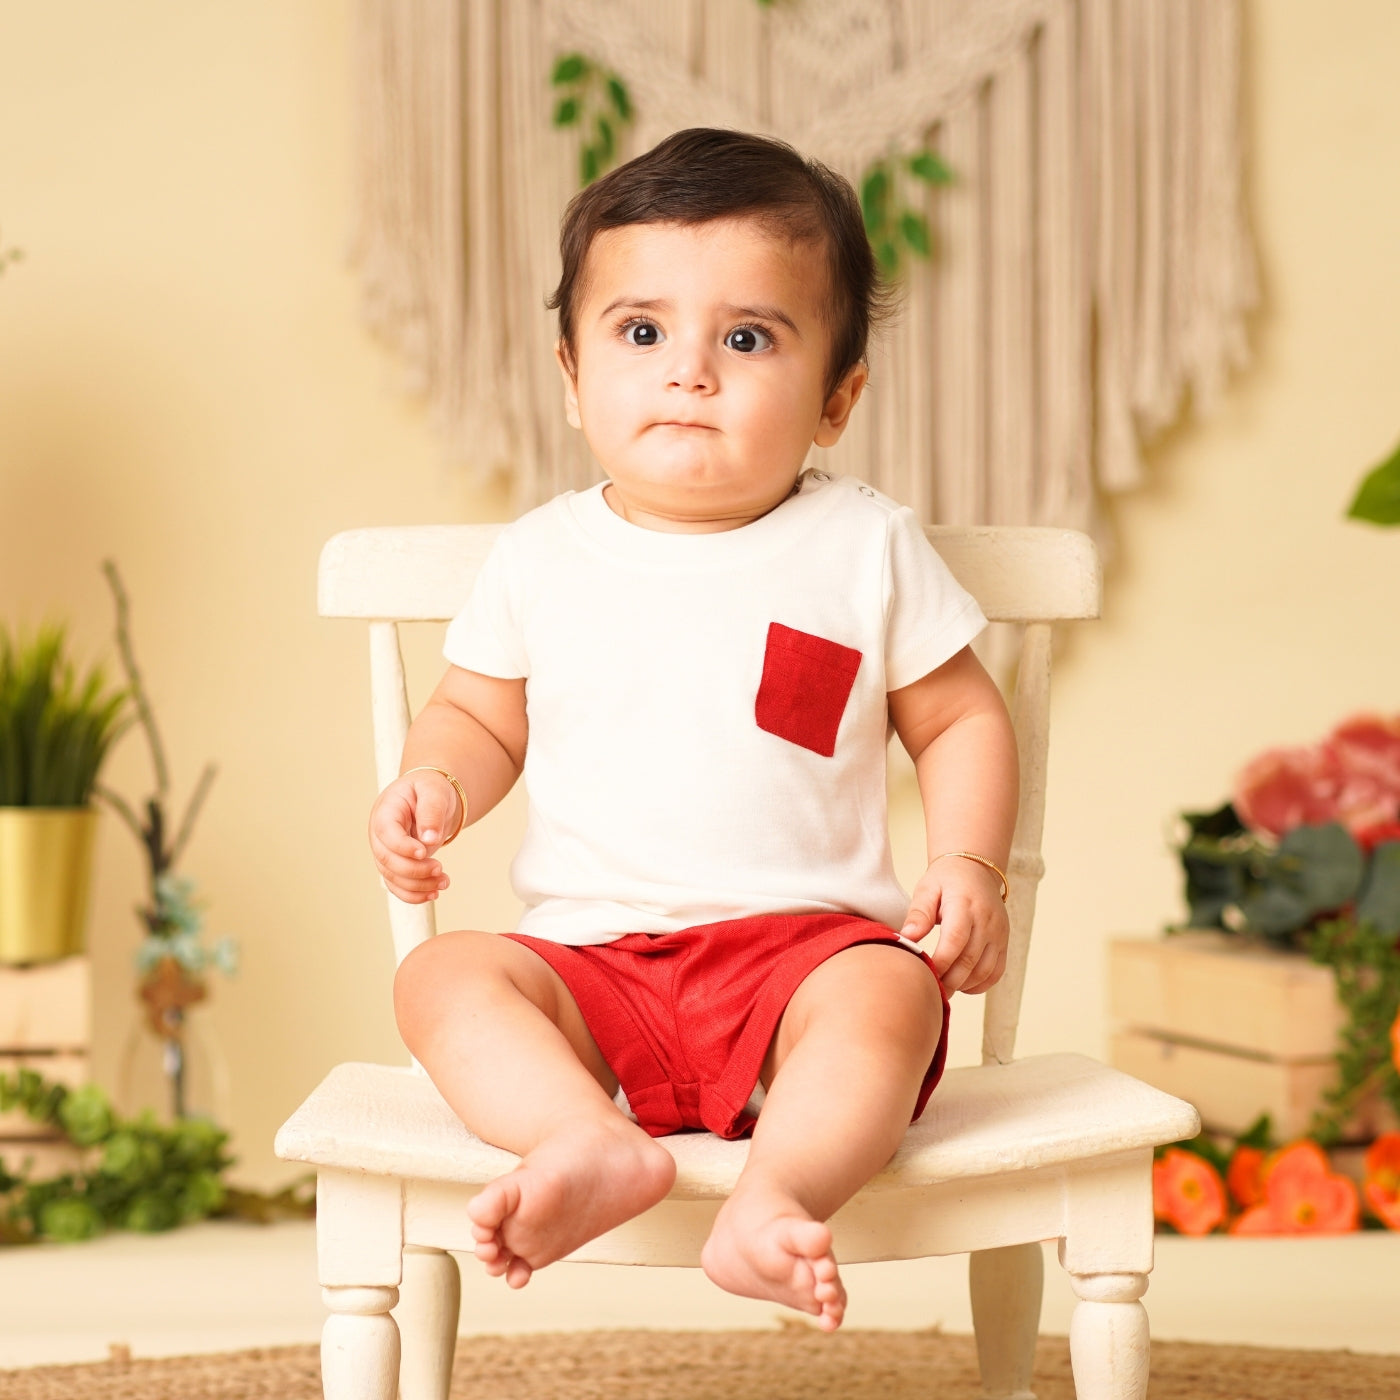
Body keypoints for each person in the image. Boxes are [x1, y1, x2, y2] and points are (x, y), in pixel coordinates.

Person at [370, 128, 1019, 1333]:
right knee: (442, 974)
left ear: (835, 398)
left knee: (890, 996)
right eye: (641, 331)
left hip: (799, 959)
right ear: (570, 376)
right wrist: (433, 782)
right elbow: (474, 713)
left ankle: (776, 1196)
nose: (689, 372)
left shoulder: (861, 545)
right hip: (587, 964)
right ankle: (584, 1135)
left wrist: (967, 862)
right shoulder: (540, 558)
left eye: (746, 336)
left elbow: (959, 714)